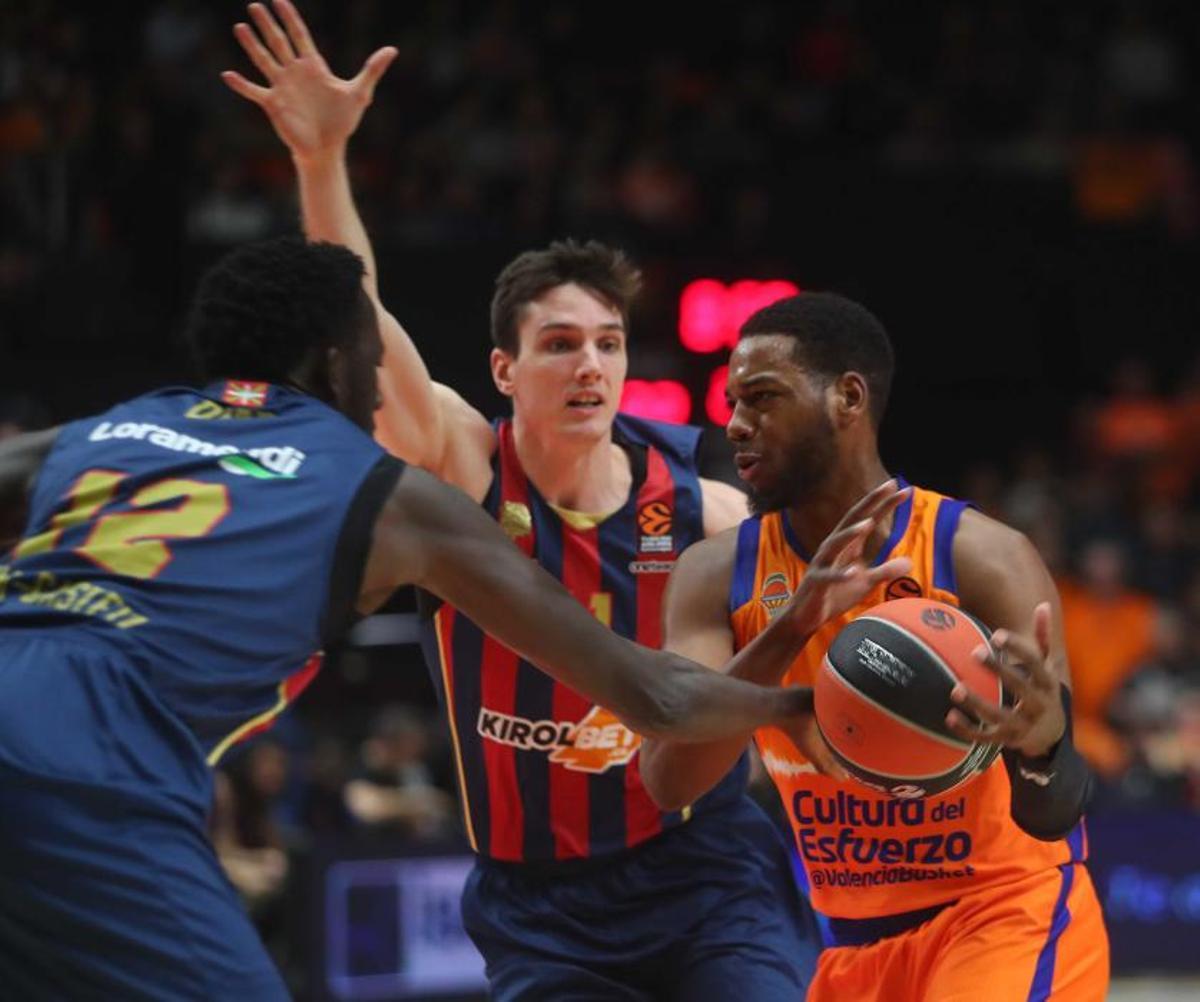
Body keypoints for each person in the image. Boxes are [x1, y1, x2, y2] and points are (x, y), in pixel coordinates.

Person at [0, 236, 826, 1000]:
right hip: (95, 748)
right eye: (374, 361)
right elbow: (657, 696)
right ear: (338, 366)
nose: (385, 388)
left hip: (29, 680)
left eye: (608, 343)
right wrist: (800, 704)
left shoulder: (121, 425)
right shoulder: (379, 487)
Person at [222, 2, 818, 995]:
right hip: (543, 908)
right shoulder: (462, 471)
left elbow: (799, 671)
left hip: (707, 876)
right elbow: (358, 322)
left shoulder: (708, 513)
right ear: (503, 369)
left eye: (609, 344)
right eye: (560, 344)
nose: (591, 365)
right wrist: (321, 159)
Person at [639, 292, 1111, 1001]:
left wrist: (1045, 747)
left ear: (848, 398)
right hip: (852, 950)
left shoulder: (980, 557)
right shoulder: (715, 574)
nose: (735, 424)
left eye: (762, 398)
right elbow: (669, 781)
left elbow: (1055, 813)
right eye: (733, 403)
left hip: (1004, 917)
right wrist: (789, 628)